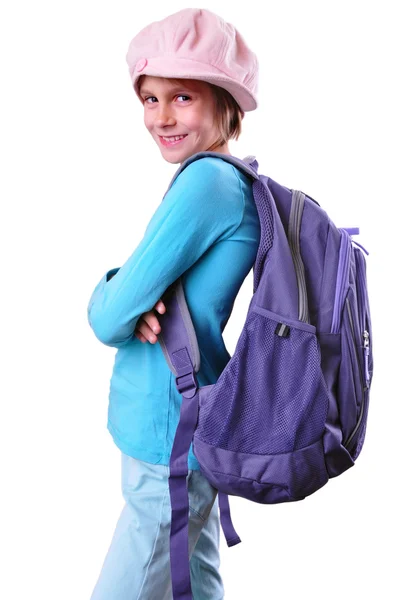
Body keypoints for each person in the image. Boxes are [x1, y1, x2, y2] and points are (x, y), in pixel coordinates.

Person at [87, 8, 260, 599]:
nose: (161, 117)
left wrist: (114, 289)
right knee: (196, 572)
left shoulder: (206, 184)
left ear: (224, 101)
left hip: (167, 428)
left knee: (136, 577)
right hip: (193, 418)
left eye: (182, 97)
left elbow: (110, 318)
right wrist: (136, 292)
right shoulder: (231, 179)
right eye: (150, 99)